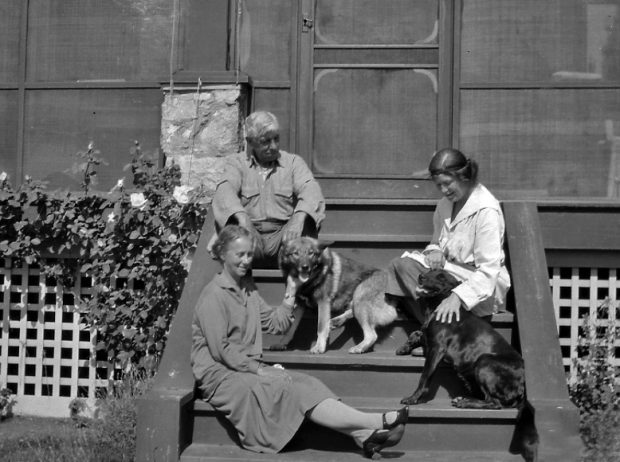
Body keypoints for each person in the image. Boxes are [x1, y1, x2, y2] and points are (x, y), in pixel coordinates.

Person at [191, 225, 408, 459]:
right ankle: (375, 421)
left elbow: (276, 324)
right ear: (223, 254)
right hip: (221, 375)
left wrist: (291, 293)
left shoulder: (248, 291)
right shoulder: (213, 295)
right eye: (239, 254)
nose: (246, 261)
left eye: (249, 254)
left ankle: (363, 435)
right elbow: (221, 350)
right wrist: (260, 370)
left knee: (307, 381)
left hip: (245, 367)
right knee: (285, 387)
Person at [386, 148, 511, 342]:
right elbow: (436, 242)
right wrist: (435, 251)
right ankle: (437, 331)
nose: (444, 190)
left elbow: (488, 270)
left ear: (464, 176)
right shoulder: (444, 205)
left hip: (478, 284)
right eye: (439, 186)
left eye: (447, 183)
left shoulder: (486, 210)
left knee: (422, 285)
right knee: (401, 265)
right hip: (447, 274)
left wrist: (457, 297)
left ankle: (442, 337)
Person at [210, 111, 325, 268]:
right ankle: (231, 287)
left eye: (276, 139)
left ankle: (303, 283)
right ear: (250, 142)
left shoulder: (293, 163)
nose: (274, 146)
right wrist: (243, 219)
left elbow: (311, 189)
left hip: (284, 237)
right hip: (248, 235)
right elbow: (225, 190)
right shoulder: (236, 164)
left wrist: (298, 219)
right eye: (265, 141)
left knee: (307, 221)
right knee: (229, 226)